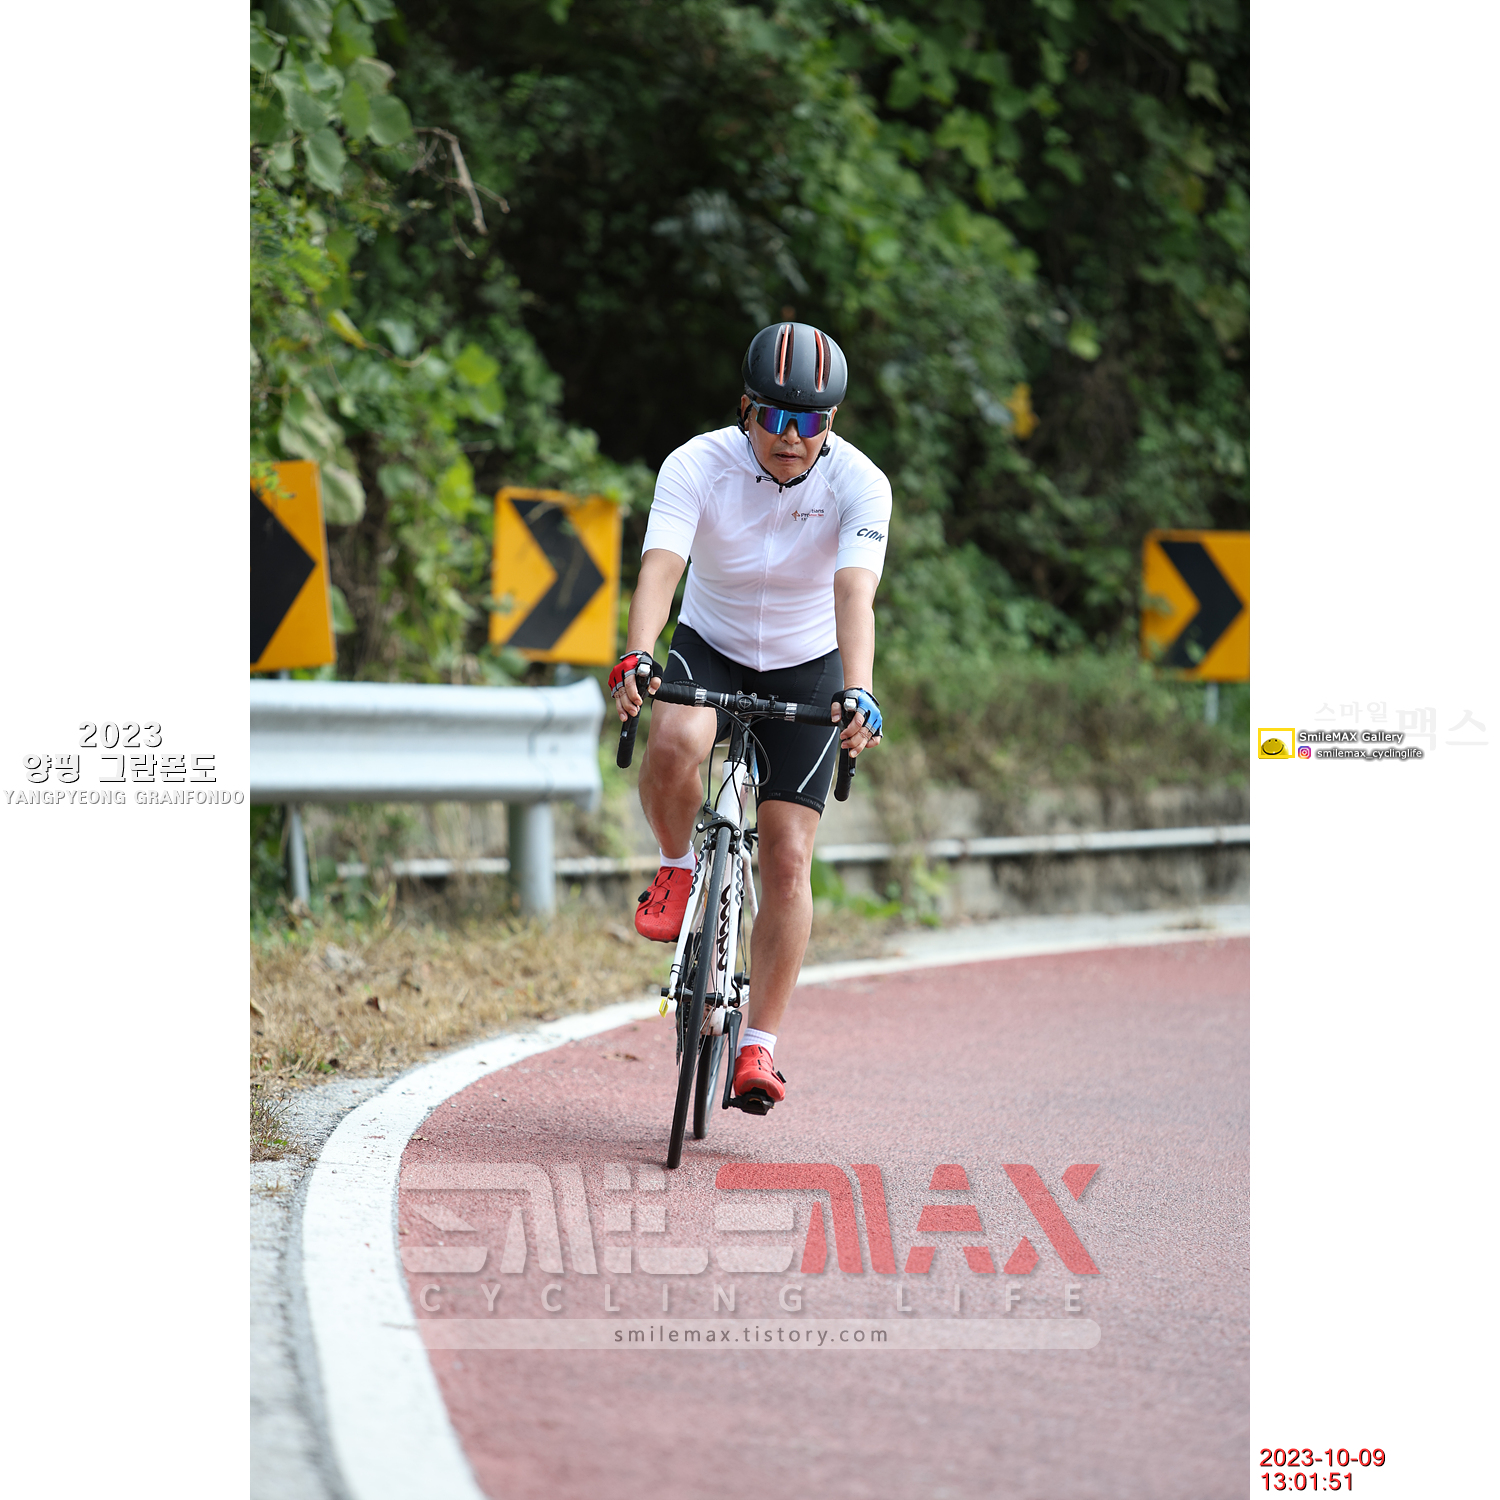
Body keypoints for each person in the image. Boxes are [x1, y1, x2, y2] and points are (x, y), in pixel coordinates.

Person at [608, 321, 890, 1108]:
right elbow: (661, 565)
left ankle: (758, 1046)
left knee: (790, 857)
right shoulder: (696, 464)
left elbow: (854, 592)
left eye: (811, 421)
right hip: (713, 643)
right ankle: (676, 866)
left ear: (831, 422)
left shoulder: (860, 483)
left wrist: (859, 688)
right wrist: (637, 653)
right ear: (746, 410)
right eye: (776, 417)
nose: (792, 437)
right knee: (676, 739)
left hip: (808, 660)